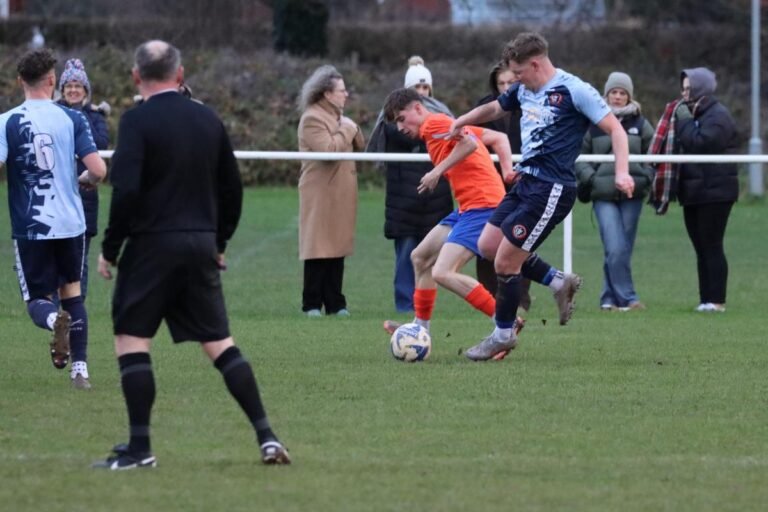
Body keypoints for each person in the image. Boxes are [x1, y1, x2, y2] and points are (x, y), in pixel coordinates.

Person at [94, 40, 290, 470]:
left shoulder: (136, 121)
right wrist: (218, 242)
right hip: (199, 245)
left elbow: (126, 191)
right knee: (219, 344)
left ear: (135, 76)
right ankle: (267, 436)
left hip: (151, 246)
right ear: (180, 75)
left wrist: (110, 248)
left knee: (131, 340)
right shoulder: (207, 119)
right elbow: (232, 190)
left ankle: (140, 449)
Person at [446, 32, 634, 361]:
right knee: (487, 246)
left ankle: (503, 335)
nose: (514, 81)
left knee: (506, 262)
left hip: (552, 188)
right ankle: (558, 281)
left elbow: (616, 130)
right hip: (525, 182)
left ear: (535, 64)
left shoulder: (574, 90)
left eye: (518, 73)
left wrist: (622, 172)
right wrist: (461, 120)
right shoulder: (523, 89)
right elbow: (496, 107)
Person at [381, 87, 523, 356]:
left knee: (442, 272)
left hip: (482, 206)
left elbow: (468, 144)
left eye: (401, 118)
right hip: (468, 207)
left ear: (418, 109)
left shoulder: (435, 123)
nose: (400, 127)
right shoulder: (442, 126)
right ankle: (420, 329)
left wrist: (436, 171)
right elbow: (497, 137)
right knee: (420, 257)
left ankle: (506, 320)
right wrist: (507, 171)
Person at [0, 48, 106, 389]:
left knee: (38, 300)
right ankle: (80, 371)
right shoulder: (73, 118)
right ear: (52, 80)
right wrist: (84, 180)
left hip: (31, 225)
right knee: (73, 295)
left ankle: (53, 321)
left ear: (20, 81)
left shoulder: (7, 121)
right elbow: (98, 170)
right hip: (71, 224)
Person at [367, 56, 454, 313]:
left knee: (431, 257)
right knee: (406, 254)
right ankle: (405, 306)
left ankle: (425, 307)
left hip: (436, 197)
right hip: (403, 200)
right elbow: (406, 135)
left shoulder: (443, 114)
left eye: (426, 87)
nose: (422, 92)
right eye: (417, 87)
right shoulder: (392, 121)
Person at [575, 71, 654, 312]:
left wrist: (645, 176)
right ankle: (629, 298)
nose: (618, 96)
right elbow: (578, 155)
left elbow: (654, 153)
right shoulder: (592, 122)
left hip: (632, 193)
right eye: (613, 92)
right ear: (606, 94)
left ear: (629, 96)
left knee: (622, 248)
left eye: (622, 93)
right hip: (603, 195)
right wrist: (592, 178)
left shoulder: (641, 124)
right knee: (615, 246)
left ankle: (608, 298)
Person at [666, 68, 738, 312]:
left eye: (689, 89)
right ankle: (706, 300)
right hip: (695, 192)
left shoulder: (718, 116)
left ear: (701, 89)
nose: (684, 94)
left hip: (716, 193)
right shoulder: (697, 113)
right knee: (701, 247)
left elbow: (700, 143)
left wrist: (685, 121)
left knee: (712, 245)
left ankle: (717, 300)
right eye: (683, 88)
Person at [297, 64, 365, 317]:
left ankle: (336, 302)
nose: (346, 94)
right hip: (320, 192)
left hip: (341, 192)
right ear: (327, 93)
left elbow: (359, 144)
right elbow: (329, 151)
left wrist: (349, 127)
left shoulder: (339, 118)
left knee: (338, 246)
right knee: (318, 247)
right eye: (341, 90)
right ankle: (312, 303)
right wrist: (347, 128)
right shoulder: (312, 118)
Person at [473, 61, 532, 312]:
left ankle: (520, 299)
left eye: (510, 82)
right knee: (486, 244)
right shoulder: (484, 108)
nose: (506, 88)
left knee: (520, 241)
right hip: (489, 186)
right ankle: (491, 299)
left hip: (524, 185)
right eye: (501, 83)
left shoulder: (531, 106)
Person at [56, 58, 110, 301]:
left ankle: (75, 310)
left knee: (80, 260)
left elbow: (101, 144)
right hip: (56, 195)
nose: (73, 90)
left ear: (86, 91)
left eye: (78, 86)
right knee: (53, 257)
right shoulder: (51, 113)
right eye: (69, 86)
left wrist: (79, 115)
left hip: (85, 197)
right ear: (61, 89)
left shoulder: (95, 116)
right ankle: (53, 312)